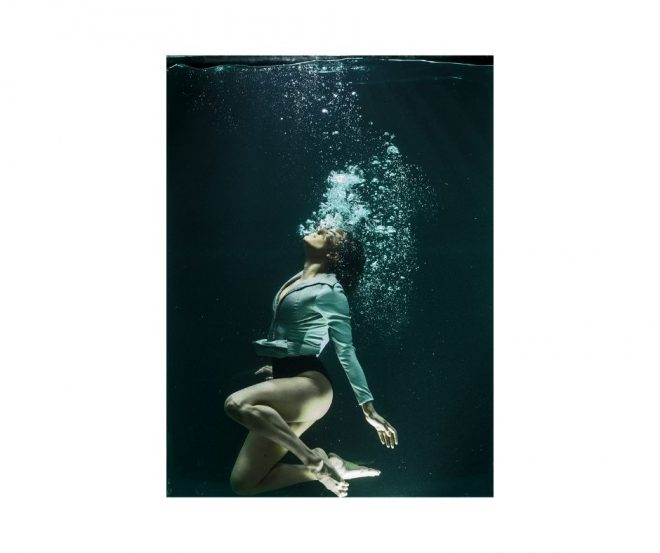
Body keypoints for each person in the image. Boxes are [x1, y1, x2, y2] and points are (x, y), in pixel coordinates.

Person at [224, 226, 398, 497]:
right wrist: (283, 361)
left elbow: (345, 349)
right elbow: (316, 333)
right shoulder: (298, 279)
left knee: (237, 404)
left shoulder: (331, 291)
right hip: (293, 379)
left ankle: (312, 461)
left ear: (335, 255)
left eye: (334, 234)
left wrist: (368, 407)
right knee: (244, 483)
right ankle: (332, 466)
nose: (323, 227)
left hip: (312, 388)